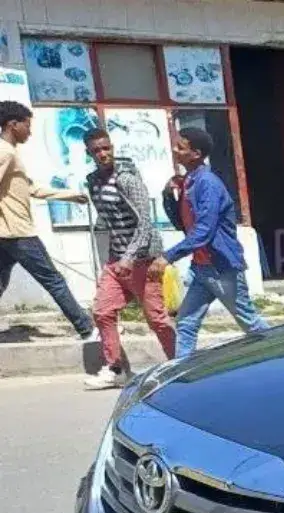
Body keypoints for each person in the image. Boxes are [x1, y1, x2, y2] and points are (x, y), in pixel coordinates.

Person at [154, 127, 271, 358]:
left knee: (251, 324)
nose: (175, 150)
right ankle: (181, 374)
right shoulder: (190, 181)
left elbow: (204, 231)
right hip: (201, 268)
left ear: (196, 153)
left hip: (221, 268)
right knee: (186, 323)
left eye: (181, 147)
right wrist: (169, 197)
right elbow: (183, 225)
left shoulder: (208, 183)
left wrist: (168, 256)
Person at [81, 126, 174, 390]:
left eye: (106, 148)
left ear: (112, 148)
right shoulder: (93, 181)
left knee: (156, 318)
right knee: (102, 311)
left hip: (141, 259)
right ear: (90, 153)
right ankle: (115, 369)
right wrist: (117, 257)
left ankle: (181, 364)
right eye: (97, 150)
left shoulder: (128, 179)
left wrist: (130, 257)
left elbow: (145, 222)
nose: (103, 154)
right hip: (116, 259)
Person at [0, 100, 96, 341]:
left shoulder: (10, 154)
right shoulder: (5, 152)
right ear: (13, 125)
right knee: (54, 280)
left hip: (7, 234)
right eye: (27, 126)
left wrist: (71, 195)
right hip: (19, 234)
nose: (30, 132)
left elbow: (32, 189)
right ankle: (87, 328)